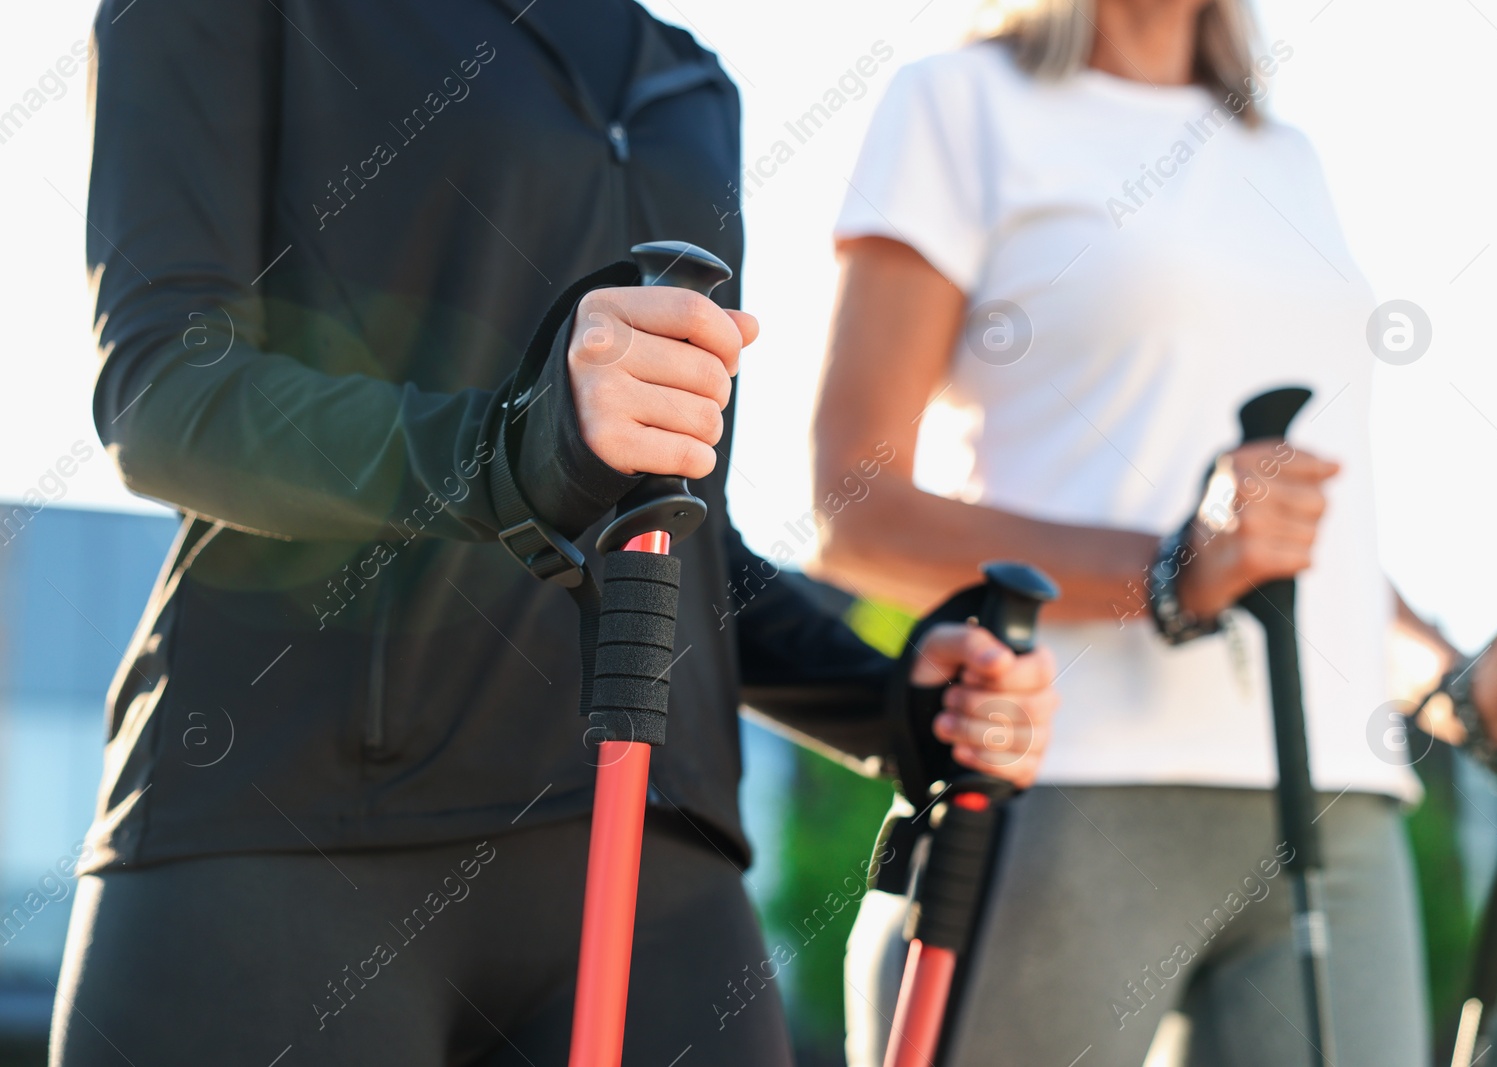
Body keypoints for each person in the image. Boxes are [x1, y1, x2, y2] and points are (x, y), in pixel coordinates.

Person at [55, 2, 1059, 1065]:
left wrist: (893, 697)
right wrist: (508, 449)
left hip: (650, 865)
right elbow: (166, 396)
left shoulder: (685, 85)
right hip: (288, 831)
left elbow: (672, 527)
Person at [813, 1, 1497, 1064]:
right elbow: (856, 513)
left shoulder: (1281, 154)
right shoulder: (960, 105)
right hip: (1068, 779)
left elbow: (1315, 532)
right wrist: (1169, 570)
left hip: (1335, 800)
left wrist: (1451, 683)